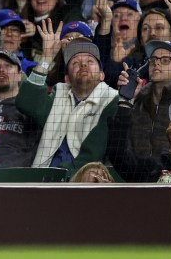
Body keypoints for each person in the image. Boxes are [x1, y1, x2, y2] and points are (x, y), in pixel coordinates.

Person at [16, 20, 119, 174]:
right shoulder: (59, 92)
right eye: (75, 63)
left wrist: (61, 174)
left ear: (102, 75)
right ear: (67, 78)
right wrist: (46, 58)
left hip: (81, 180)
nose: (83, 65)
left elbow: (94, 153)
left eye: (90, 61)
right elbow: (26, 102)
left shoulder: (112, 100)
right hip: (41, 177)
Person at [0, 9, 37, 74]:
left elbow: (41, 78)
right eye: (3, 28)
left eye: (15, 30)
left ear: (20, 39)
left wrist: (47, 58)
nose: (9, 34)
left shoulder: (32, 68)